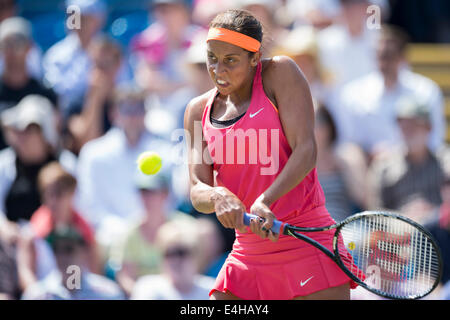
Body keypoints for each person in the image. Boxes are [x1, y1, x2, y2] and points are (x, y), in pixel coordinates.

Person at [184, 9, 357, 300]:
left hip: (306, 242)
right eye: (212, 57)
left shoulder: (280, 73)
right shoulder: (197, 111)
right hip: (247, 253)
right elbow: (197, 190)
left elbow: (306, 150)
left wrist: (266, 200)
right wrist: (218, 196)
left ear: (254, 58)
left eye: (230, 60)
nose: (218, 69)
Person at [334, 25, 446, 156]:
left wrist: (403, 154)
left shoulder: (426, 91)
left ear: (403, 58)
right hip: (369, 167)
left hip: (417, 166)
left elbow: (435, 140)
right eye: (380, 56)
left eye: (390, 56)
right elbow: (348, 142)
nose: (384, 63)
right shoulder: (353, 94)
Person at [367, 97, 448, 224]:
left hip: (440, 234)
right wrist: (404, 217)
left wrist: (433, 213)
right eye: (404, 126)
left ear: (429, 128)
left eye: (414, 125)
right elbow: (373, 212)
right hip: (397, 236)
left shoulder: (445, 161)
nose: (408, 131)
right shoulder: (384, 165)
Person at [115, 173, 179, 297]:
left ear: (165, 194)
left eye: (152, 192)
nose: (147, 198)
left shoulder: (182, 226)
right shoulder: (129, 231)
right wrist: (144, 296)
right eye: (143, 192)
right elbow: (125, 277)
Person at [0, 16, 58, 150]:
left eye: (17, 43)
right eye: (6, 44)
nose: (12, 50)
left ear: (29, 47)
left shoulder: (46, 93)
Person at [21, 227, 125, 300]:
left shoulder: (109, 294)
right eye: (57, 250)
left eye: (69, 250)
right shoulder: (36, 295)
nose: (62, 257)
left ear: (84, 252)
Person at [131, 218, 215, 300]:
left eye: (181, 252)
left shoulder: (211, 289)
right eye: (168, 253)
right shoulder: (147, 286)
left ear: (196, 254)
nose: (175, 260)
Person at [314, 104, 367, 222]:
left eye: (315, 121)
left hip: (345, 230)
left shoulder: (347, 155)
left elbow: (364, 200)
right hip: (308, 231)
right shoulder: (293, 164)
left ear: (328, 127)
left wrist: (345, 165)